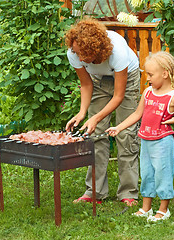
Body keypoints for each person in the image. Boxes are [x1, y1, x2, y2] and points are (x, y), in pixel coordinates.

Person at [106, 51, 174, 221]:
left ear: (165, 74)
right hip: (146, 141)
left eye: (150, 74)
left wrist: (172, 120)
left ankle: (164, 210)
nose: (148, 78)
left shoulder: (173, 97)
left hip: (162, 142)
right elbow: (137, 114)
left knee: (162, 174)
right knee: (147, 174)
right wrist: (119, 127)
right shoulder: (148, 92)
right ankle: (146, 208)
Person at [65, 17, 141, 206]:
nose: (80, 58)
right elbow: (86, 83)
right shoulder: (73, 53)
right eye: (77, 52)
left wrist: (97, 117)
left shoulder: (118, 52)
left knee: (126, 134)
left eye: (84, 54)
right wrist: (83, 113)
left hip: (127, 79)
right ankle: (95, 192)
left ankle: (128, 192)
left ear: (96, 50)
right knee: (95, 135)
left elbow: (118, 96)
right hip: (98, 81)